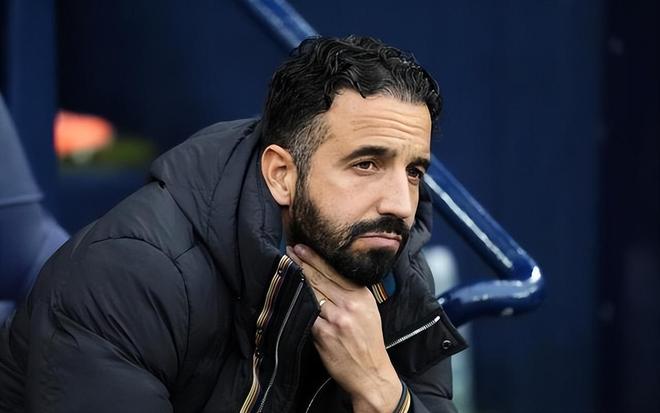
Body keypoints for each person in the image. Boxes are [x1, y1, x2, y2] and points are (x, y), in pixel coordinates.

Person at [0, 35, 466, 412]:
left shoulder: (390, 269)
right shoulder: (131, 274)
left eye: (414, 172)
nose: (400, 205)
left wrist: (381, 391)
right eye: (366, 164)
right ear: (281, 175)